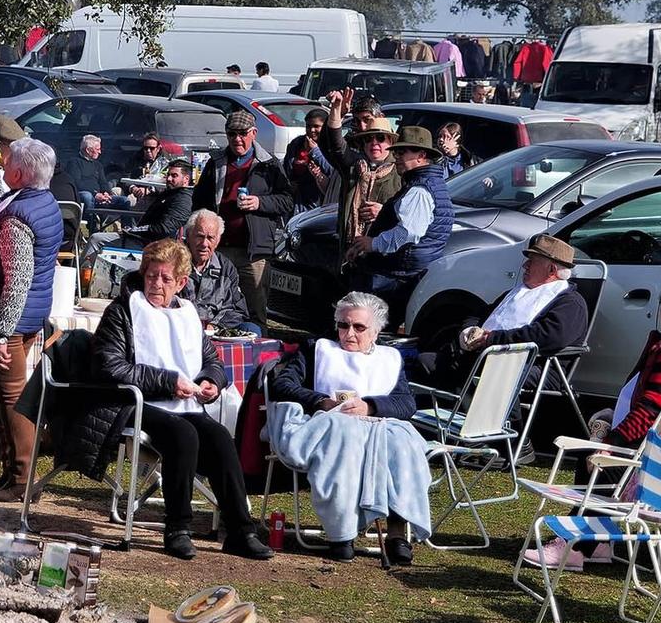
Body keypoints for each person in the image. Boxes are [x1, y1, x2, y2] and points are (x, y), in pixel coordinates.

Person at [524, 275, 661, 570]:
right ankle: (598, 543)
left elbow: (651, 408)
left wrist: (612, 444)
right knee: (597, 452)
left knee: (597, 458)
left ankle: (575, 546)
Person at [91, 238, 273, 561]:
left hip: (183, 403)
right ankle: (177, 527)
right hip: (134, 403)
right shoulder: (123, 310)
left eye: (165, 278)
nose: (156, 284)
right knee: (183, 434)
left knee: (219, 437)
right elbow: (108, 367)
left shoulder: (187, 314)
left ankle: (241, 530)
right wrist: (168, 382)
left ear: (181, 283)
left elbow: (213, 360)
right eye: (151, 276)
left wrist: (210, 382)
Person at [267, 291, 431, 565]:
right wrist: (321, 400)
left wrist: (370, 406)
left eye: (359, 327)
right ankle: (341, 533)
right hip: (329, 424)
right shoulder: (317, 349)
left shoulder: (389, 359)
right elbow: (283, 384)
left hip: (376, 425)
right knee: (345, 439)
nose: (349, 333)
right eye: (343, 325)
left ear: (375, 332)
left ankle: (397, 533)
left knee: (403, 442)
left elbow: (406, 404)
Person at [0, 137, 66, 493]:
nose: (2, 159)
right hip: (29, 312)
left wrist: (2, 331)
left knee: (12, 397)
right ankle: (12, 472)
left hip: (14, 317)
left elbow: (17, 280)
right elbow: (2, 202)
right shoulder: (40, 200)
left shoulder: (19, 219)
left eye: (7, 158)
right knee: (1, 394)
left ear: (19, 171)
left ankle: (21, 479)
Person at [413, 235, 588, 390]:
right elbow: (479, 314)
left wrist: (491, 339)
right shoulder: (516, 292)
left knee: (488, 374)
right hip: (486, 354)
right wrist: (469, 331)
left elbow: (548, 336)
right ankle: (435, 417)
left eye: (532, 261)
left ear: (552, 270)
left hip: (534, 364)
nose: (525, 265)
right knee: (426, 361)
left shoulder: (570, 303)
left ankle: (502, 425)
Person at [192, 111, 296, 326]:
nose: (237, 139)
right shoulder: (216, 162)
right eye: (232, 134)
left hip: (254, 252)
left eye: (242, 133)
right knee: (212, 306)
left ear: (254, 133)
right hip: (218, 249)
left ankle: (261, 355)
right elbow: (199, 201)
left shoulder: (269, 164)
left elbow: (287, 201)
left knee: (256, 310)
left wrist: (259, 203)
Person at [343, 125, 452, 324]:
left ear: (421, 155)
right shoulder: (427, 184)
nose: (397, 157)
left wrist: (372, 244)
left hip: (394, 277)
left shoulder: (420, 189)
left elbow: (407, 233)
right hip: (398, 274)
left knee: (364, 327)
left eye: (403, 152)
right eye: (396, 152)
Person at [180, 210, 260, 338]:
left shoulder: (226, 268)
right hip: (181, 329)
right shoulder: (174, 261)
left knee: (252, 329)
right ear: (188, 235)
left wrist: (214, 326)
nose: (204, 244)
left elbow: (238, 310)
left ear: (217, 240)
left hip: (216, 330)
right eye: (199, 236)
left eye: (210, 238)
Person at [336, 116, 401, 267]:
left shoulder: (399, 171)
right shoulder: (354, 168)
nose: (374, 143)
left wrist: (384, 212)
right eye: (368, 139)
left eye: (380, 138)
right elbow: (333, 145)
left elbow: (410, 215)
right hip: (351, 252)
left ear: (390, 142)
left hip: (383, 256)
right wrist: (336, 112)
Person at [283, 109, 337, 207]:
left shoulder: (331, 145)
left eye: (316, 126)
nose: (312, 130)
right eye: (308, 126)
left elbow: (333, 172)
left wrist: (315, 151)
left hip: (317, 202)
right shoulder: (296, 144)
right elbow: (286, 169)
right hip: (295, 201)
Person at [135, 157, 194, 241]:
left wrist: (134, 231)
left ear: (186, 179)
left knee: (108, 240)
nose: (169, 179)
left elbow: (165, 228)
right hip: (141, 238)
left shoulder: (184, 199)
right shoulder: (170, 193)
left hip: (151, 245)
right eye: (168, 175)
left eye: (174, 176)